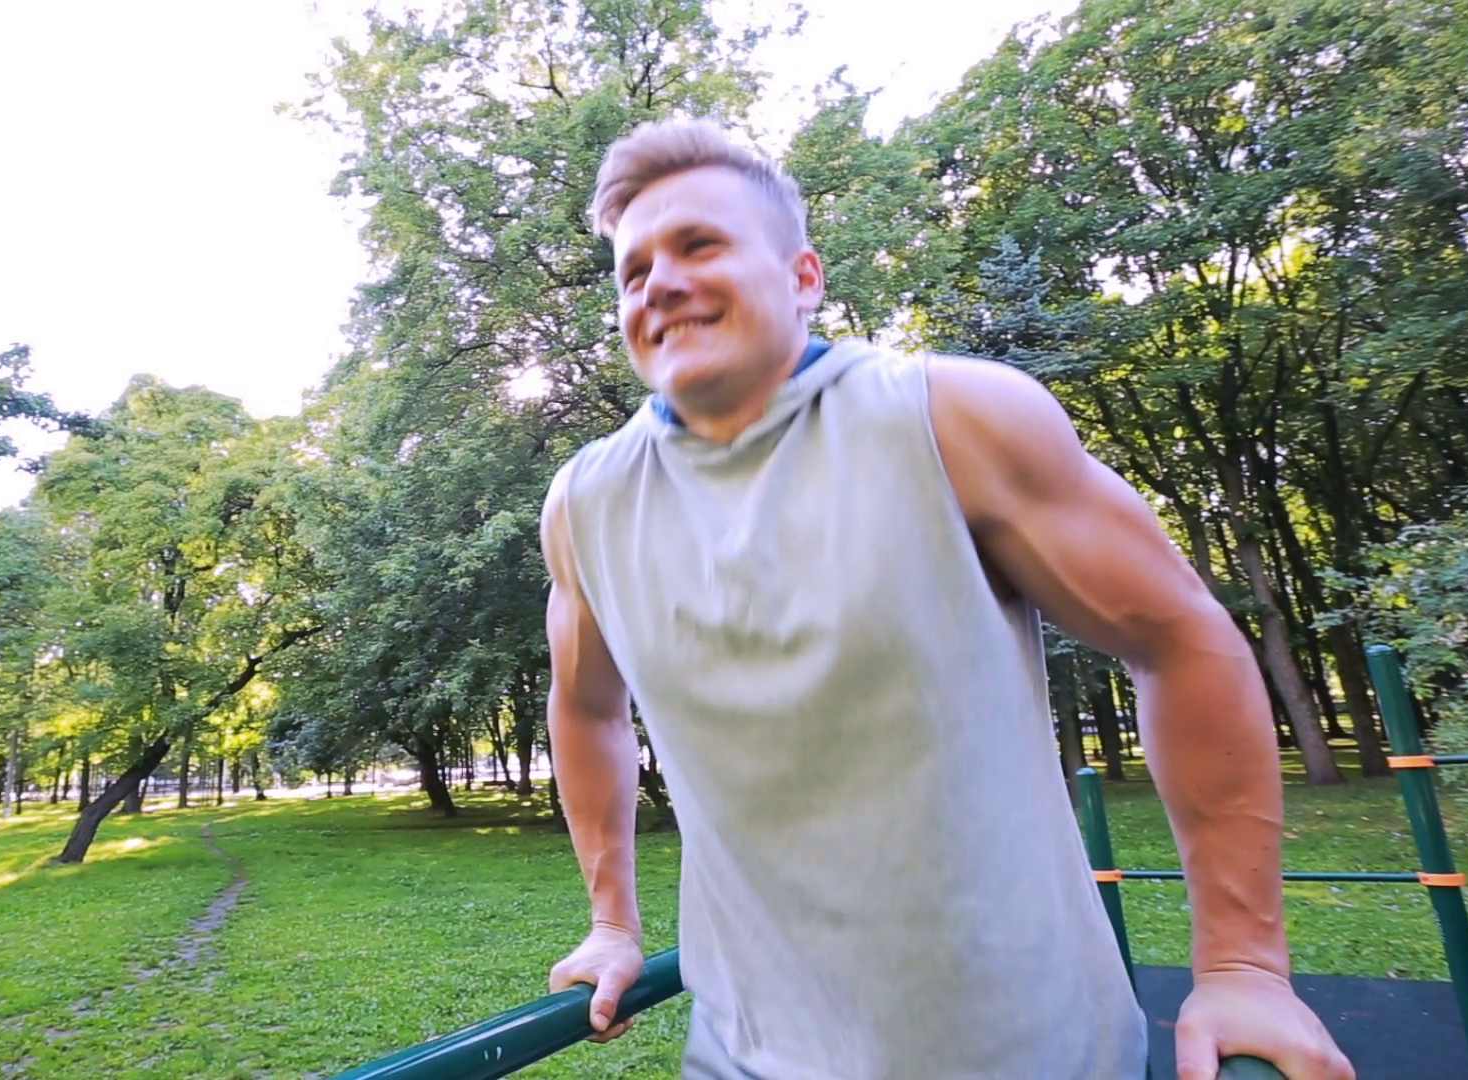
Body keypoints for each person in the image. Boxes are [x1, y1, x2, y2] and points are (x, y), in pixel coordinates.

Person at [539, 118, 1354, 1080]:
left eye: (699, 245)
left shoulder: (952, 421)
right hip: (745, 1055)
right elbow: (586, 708)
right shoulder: (587, 505)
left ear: (804, 278)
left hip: (1030, 1053)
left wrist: (1242, 965)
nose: (659, 284)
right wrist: (612, 923)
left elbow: (1180, 638)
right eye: (634, 271)